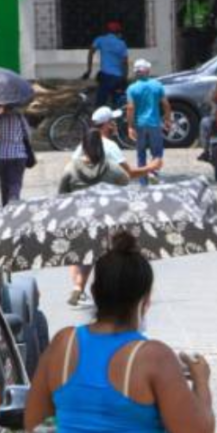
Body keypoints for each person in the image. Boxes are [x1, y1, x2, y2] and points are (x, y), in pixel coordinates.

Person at [25, 232, 216, 433]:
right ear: (145, 299)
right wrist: (201, 383)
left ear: (94, 293)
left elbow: (35, 427)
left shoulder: (62, 346)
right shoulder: (154, 358)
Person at [65, 107, 162, 307]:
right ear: (106, 124)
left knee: (82, 248)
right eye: (112, 121)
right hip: (105, 205)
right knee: (105, 247)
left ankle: (78, 287)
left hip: (79, 205)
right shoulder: (110, 147)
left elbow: (68, 180)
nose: (114, 124)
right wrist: (151, 168)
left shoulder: (78, 150)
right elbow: (127, 176)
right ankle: (90, 288)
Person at [126, 59, 171, 186]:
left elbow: (130, 108)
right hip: (154, 124)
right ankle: (154, 173)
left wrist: (130, 126)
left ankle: (143, 183)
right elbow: (166, 104)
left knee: (141, 154)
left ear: (136, 72)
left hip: (140, 124)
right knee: (157, 152)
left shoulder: (131, 88)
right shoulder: (157, 85)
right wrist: (168, 119)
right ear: (147, 71)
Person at [0, 108, 32, 205]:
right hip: (19, 154)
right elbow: (28, 134)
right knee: (16, 183)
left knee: (4, 184)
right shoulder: (20, 117)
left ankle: (6, 208)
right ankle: (14, 203)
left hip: (1, 155)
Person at [83, 21, 129, 108]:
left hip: (106, 76)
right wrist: (124, 78)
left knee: (100, 105)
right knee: (117, 104)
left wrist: (89, 70)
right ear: (118, 32)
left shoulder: (100, 40)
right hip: (118, 77)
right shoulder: (122, 43)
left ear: (106, 30)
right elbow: (125, 63)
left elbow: (90, 52)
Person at [178, 0, 217, 69]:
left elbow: (213, 20)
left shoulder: (210, 4)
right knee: (188, 62)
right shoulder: (188, 2)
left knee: (204, 62)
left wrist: (210, 32)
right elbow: (179, 16)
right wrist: (183, 29)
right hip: (190, 36)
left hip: (204, 37)